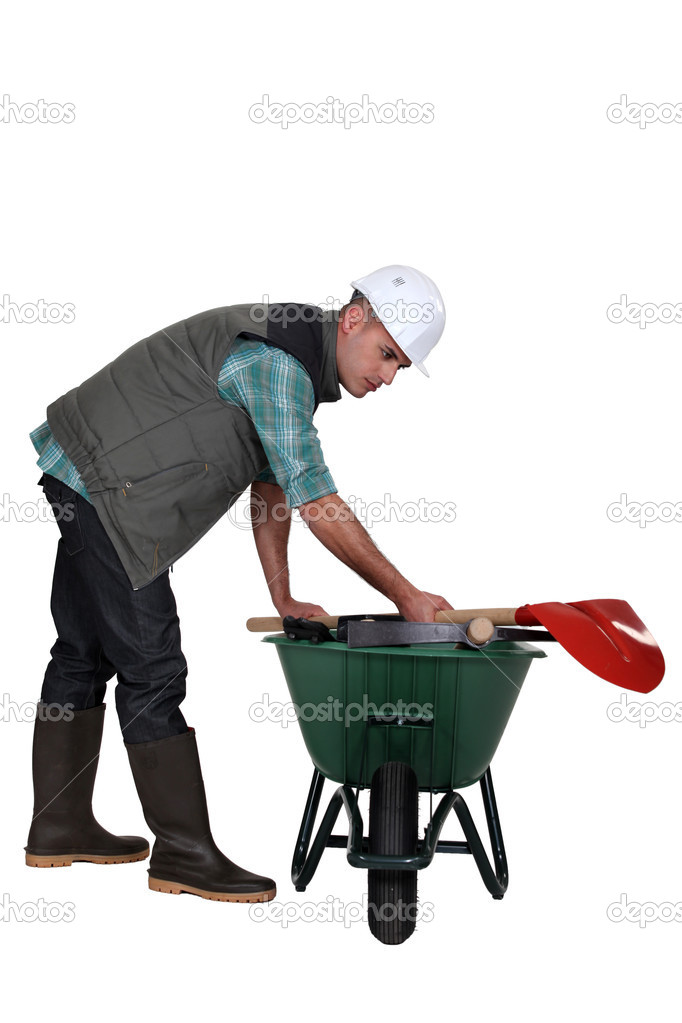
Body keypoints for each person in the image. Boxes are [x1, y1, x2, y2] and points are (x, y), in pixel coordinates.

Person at [25, 264, 452, 904]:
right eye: (387, 353)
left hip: (83, 471)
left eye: (401, 367)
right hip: (109, 488)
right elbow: (315, 497)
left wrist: (282, 594)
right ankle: (184, 854)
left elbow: (274, 485)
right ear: (354, 318)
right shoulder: (279, 364)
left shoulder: (294, 361)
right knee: (154, 669)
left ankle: (59, 825)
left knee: (81, 653)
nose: (388, 376)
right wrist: (406, 597)